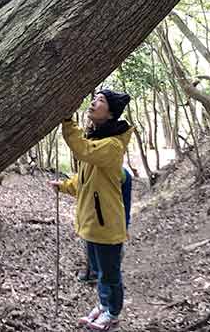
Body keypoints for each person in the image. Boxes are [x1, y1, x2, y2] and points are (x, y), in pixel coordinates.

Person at [51, 89, 132, 332]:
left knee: (109, 273)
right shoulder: (97, 139)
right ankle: (104, 304)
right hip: (93, 224)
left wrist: (67, 122)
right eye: (95, 98)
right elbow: (86, 180)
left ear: (110, 114)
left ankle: (113, 313)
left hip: (107, 225)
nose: (94, 103)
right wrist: (65, 186)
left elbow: (83, 150)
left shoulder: (112, 145)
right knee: (99, 271)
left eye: (101, 101)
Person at [79, 166, 132, 284]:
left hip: (105, 223)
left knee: (100, 249)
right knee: (92, 245)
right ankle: (94, 272)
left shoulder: (121, 174)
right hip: (100, 221)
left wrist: (125, 226)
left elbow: (126, 204)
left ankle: (99, 274)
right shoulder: (119, 172)